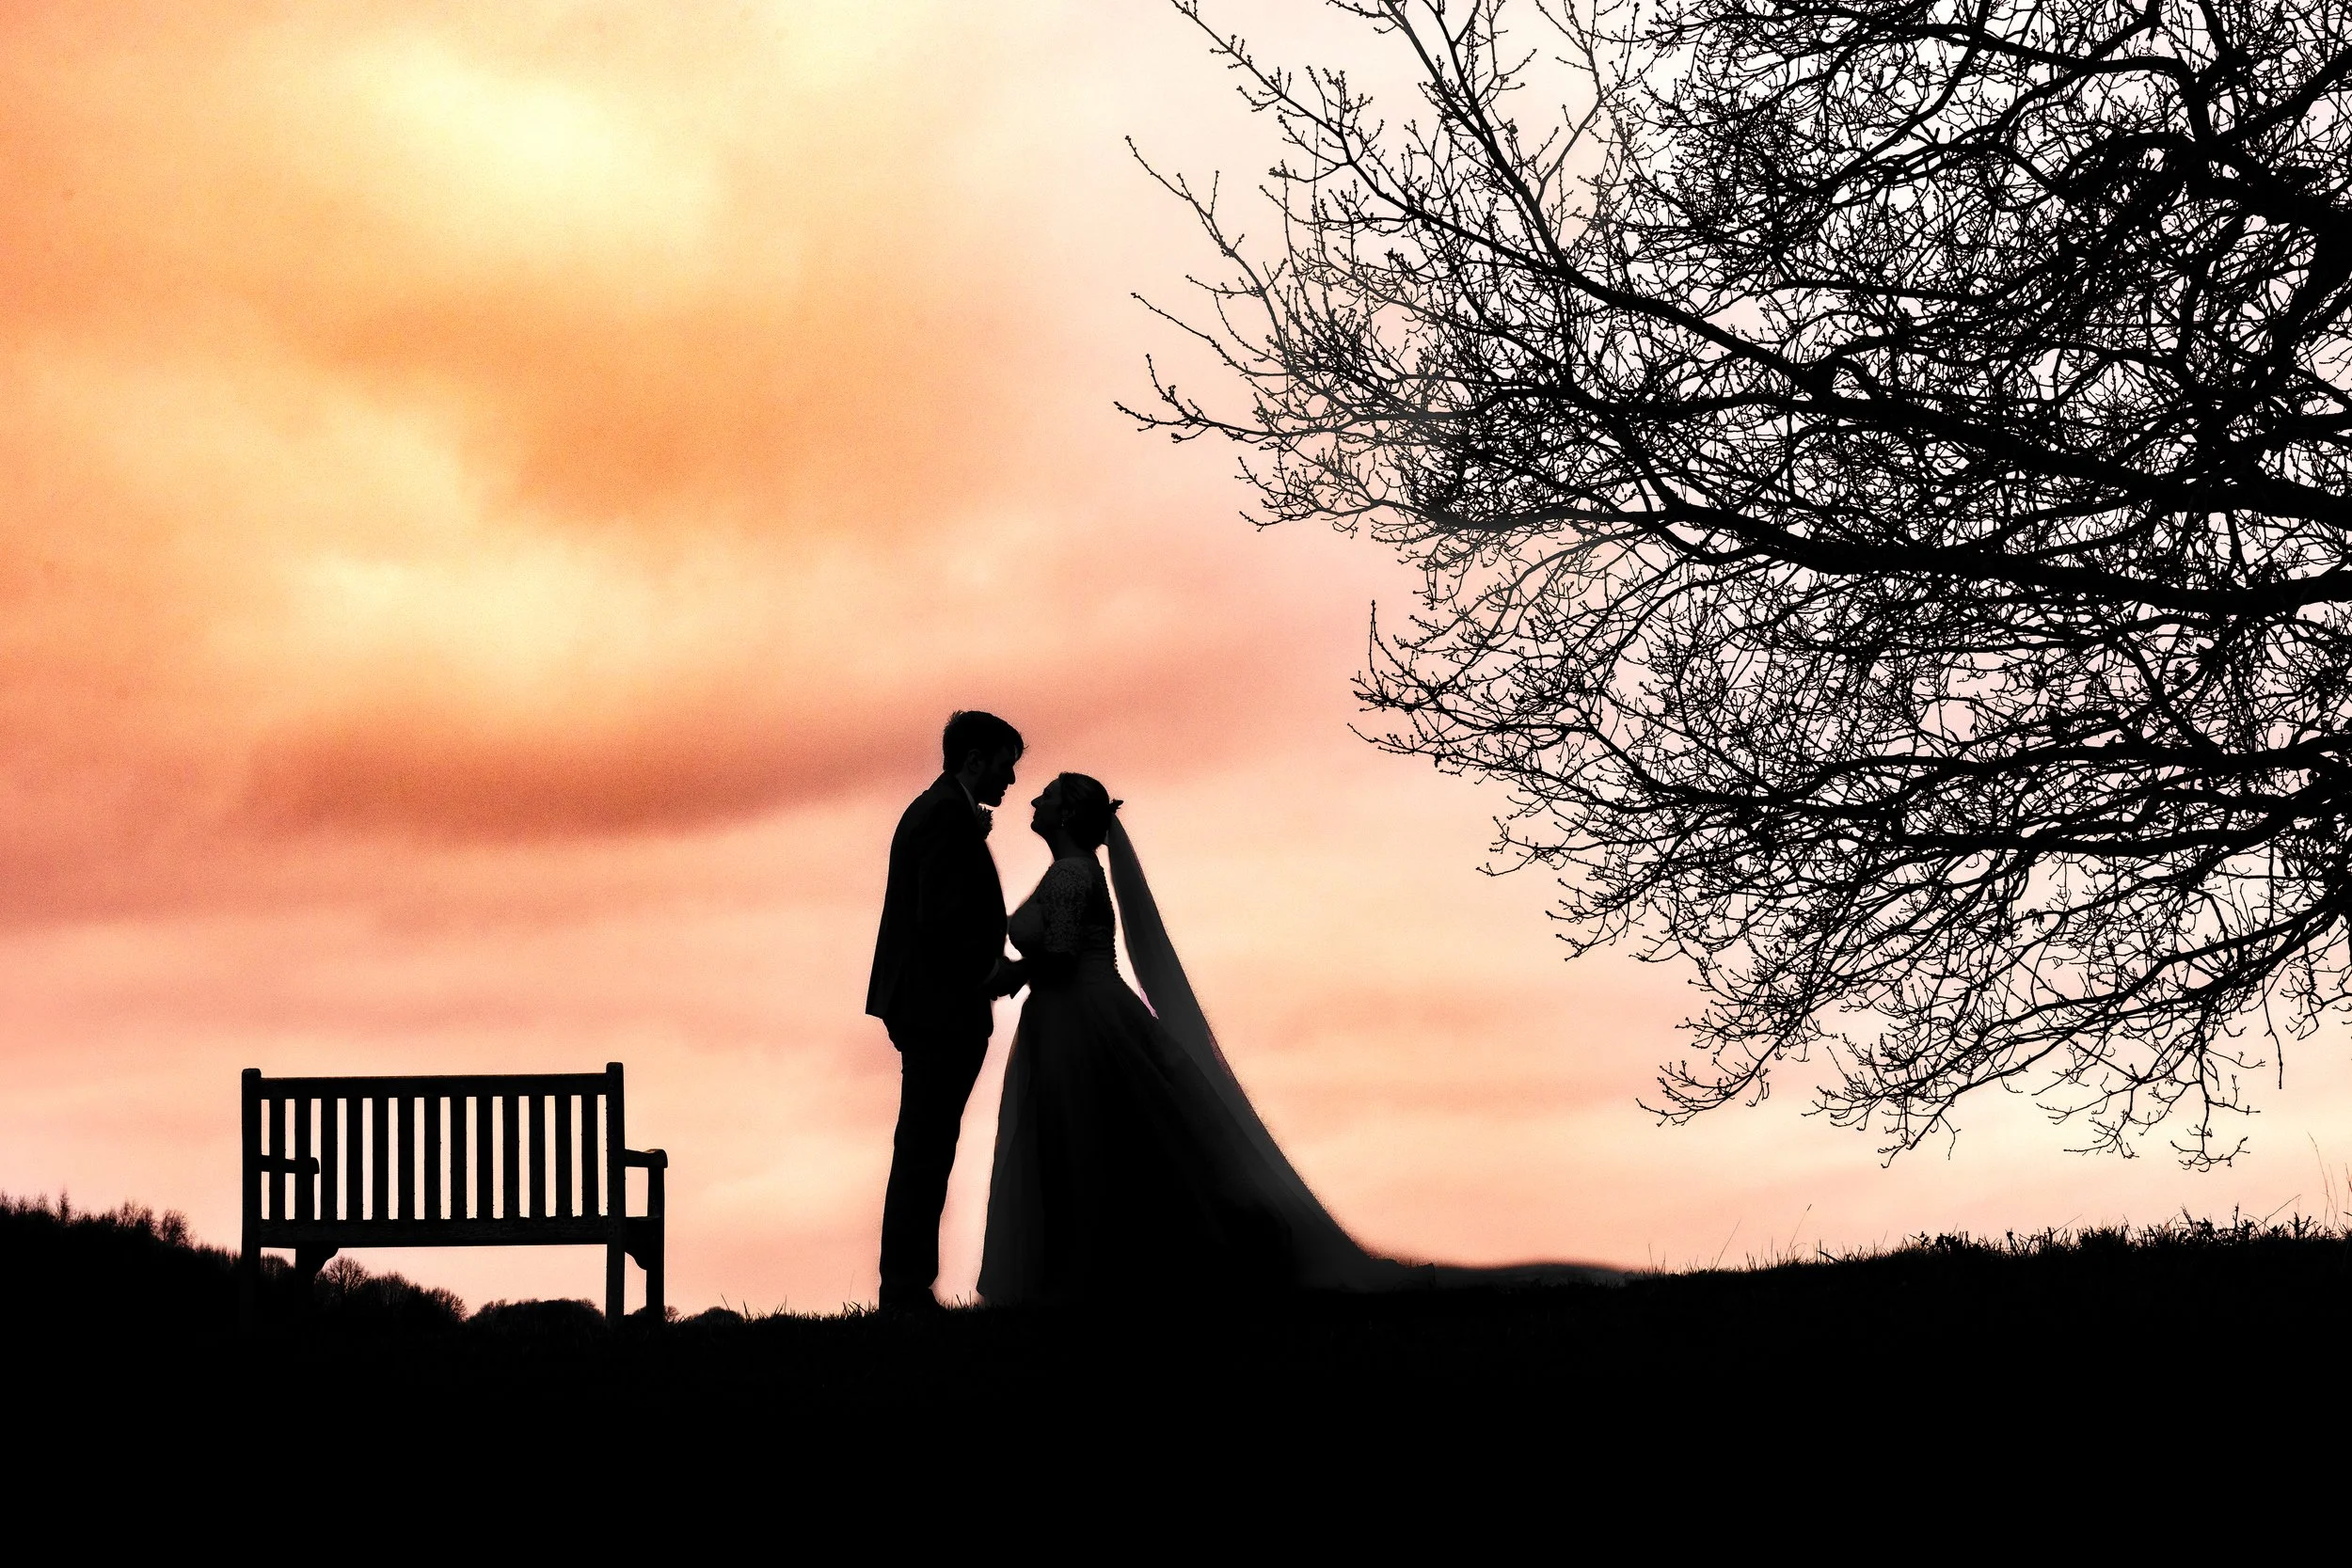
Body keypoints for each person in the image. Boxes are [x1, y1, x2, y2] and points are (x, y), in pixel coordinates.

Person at [866, 710, 1026, 1314]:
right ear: (976, 758)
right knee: (926, 1151)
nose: (1011, 779)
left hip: (936, 1006)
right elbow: (940, 920)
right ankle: (905, 1289)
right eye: (1006, 763)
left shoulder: (938, 811)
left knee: (926, 1147)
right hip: (939, 1010)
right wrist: (993, 971)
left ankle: (906, 1286)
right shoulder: (944, 817)